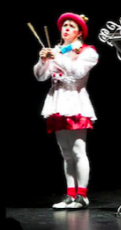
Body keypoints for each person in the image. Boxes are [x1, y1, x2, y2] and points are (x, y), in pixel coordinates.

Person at [33, 13, 98, 210]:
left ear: (80, 33)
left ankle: (82, 196)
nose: (66, 28)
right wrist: (43, 60)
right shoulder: (56, 51)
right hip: (57, 103)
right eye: (64, 25)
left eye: (71, 26)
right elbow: (40, 76)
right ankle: (70, 194)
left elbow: (77, 72)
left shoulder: (88, 52)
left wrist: (58, 57)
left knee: (78, 151)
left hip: (76, 102)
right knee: (67, 153)